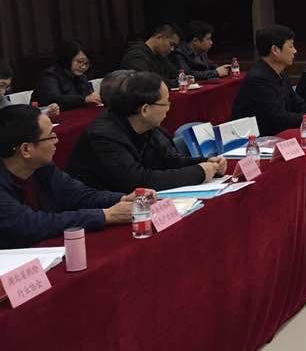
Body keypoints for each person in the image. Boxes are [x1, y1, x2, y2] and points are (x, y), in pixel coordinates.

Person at [0, 105, 140, 249]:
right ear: (26, 149)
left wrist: (122, 199)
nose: (56, 141)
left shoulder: (43, 168)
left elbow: (79, 195)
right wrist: (105, 216)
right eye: (51, 136)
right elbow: (30, 224)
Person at [66, 72, 224, 193]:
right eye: (166, 102)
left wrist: (207, 163)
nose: (169, 108)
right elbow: (136, 181)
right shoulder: (103, 136)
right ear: (145, 109)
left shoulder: (149, 127)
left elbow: (168, 162)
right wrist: (198, 172)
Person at [232, 26, 306, 136]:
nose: (295, 51)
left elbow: (298, 105)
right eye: (290, 46)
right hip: (256, 139)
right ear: (275, 50)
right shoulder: (258, 79)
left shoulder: (280, 74)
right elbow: (279, 119)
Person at [33, 40, 101, 111]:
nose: (83, 67)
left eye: (86, 63)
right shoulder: (50, 75)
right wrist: (84, 99)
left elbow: (89, 94)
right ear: (67, 59)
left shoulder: (81, 76)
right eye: (80, 62)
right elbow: (55, 99)